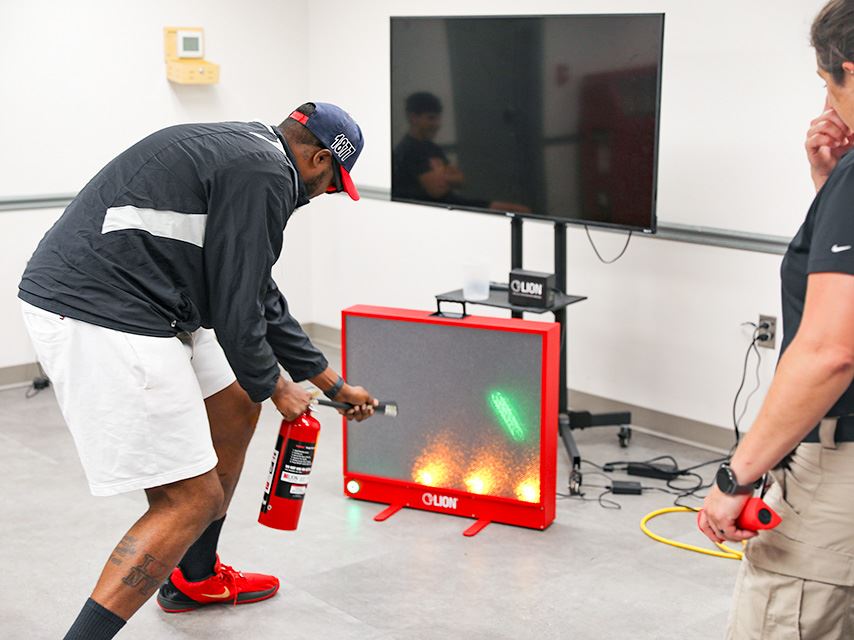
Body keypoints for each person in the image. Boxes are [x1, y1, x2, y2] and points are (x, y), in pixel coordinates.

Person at [18, 102, 378, 639]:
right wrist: (277, 385)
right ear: (320, 158)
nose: (324, 196)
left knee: (235, 400)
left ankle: (195, 578)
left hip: (143, 297)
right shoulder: (268, 174)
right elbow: (237, 309)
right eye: (331, 183)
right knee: (190, 498)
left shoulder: (251, 150)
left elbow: (256, 288)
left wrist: (330, 383)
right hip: (102, 308)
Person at [699, 2, 854, 637]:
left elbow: (829, 351)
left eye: (828, 83)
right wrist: (828, 188)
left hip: (837, 483)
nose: (827, 98)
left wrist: (737, 474)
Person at [392, 91, 530, 213]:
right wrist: (446, 175)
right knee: (517, 214)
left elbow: (461, 181)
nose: (437, 124)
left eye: (438, 118)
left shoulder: (432, 148)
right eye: (431, 118)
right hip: (437, 211)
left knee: (521, 211)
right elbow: (436, 191)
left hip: (454, 204)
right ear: (413, 117)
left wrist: (440, 176)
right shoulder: (407, 150)